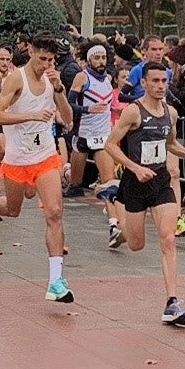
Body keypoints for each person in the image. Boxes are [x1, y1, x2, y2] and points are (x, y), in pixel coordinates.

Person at [107, 61, 185, 325]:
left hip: (160, 181)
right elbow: (110, 146)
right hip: (135, 182)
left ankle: (172, 302)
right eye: (155, 81)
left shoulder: (170, 113)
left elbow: (170, 143)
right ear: (144, 83)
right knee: (136, 245)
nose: (161, 86)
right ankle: (118, 218)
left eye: (164, 81)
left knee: (168, 238)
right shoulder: (133, 112)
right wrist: (134, 167)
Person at [0, 36, 78, 302]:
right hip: (17, 158)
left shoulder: (53, 80)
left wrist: (59, 90)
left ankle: (55, 281)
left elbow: (69, 120)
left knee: (54, 212)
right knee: (12, 209)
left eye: (51, 60)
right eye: (42, 59)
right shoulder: (16, 79)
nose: (46, 65)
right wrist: (30, 116)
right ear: (31, 53)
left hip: (46, 155)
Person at [69, 44, 124, 247]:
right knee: (76, 182)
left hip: (103, 137)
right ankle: (65, 172)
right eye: (97, 58)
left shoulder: (109, 79)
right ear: (89, 59)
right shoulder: (82, 78)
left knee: (109, 181)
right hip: (83, 135)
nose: (101, 62)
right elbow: (69, 103)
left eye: (103, 57)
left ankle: (113, 226)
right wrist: (87, 108)